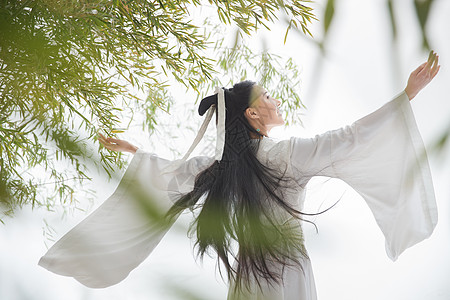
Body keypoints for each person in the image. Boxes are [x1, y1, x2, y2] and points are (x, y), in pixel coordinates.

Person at [39, 52, 440, 300]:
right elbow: (349, 139)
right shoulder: (285, 155)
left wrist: (137, 153)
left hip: (252, 273)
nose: (275, 99)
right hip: (285, 270)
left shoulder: (224, 165)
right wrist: (407, 96)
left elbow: (172, 175)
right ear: (251, 114)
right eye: (267, 96)